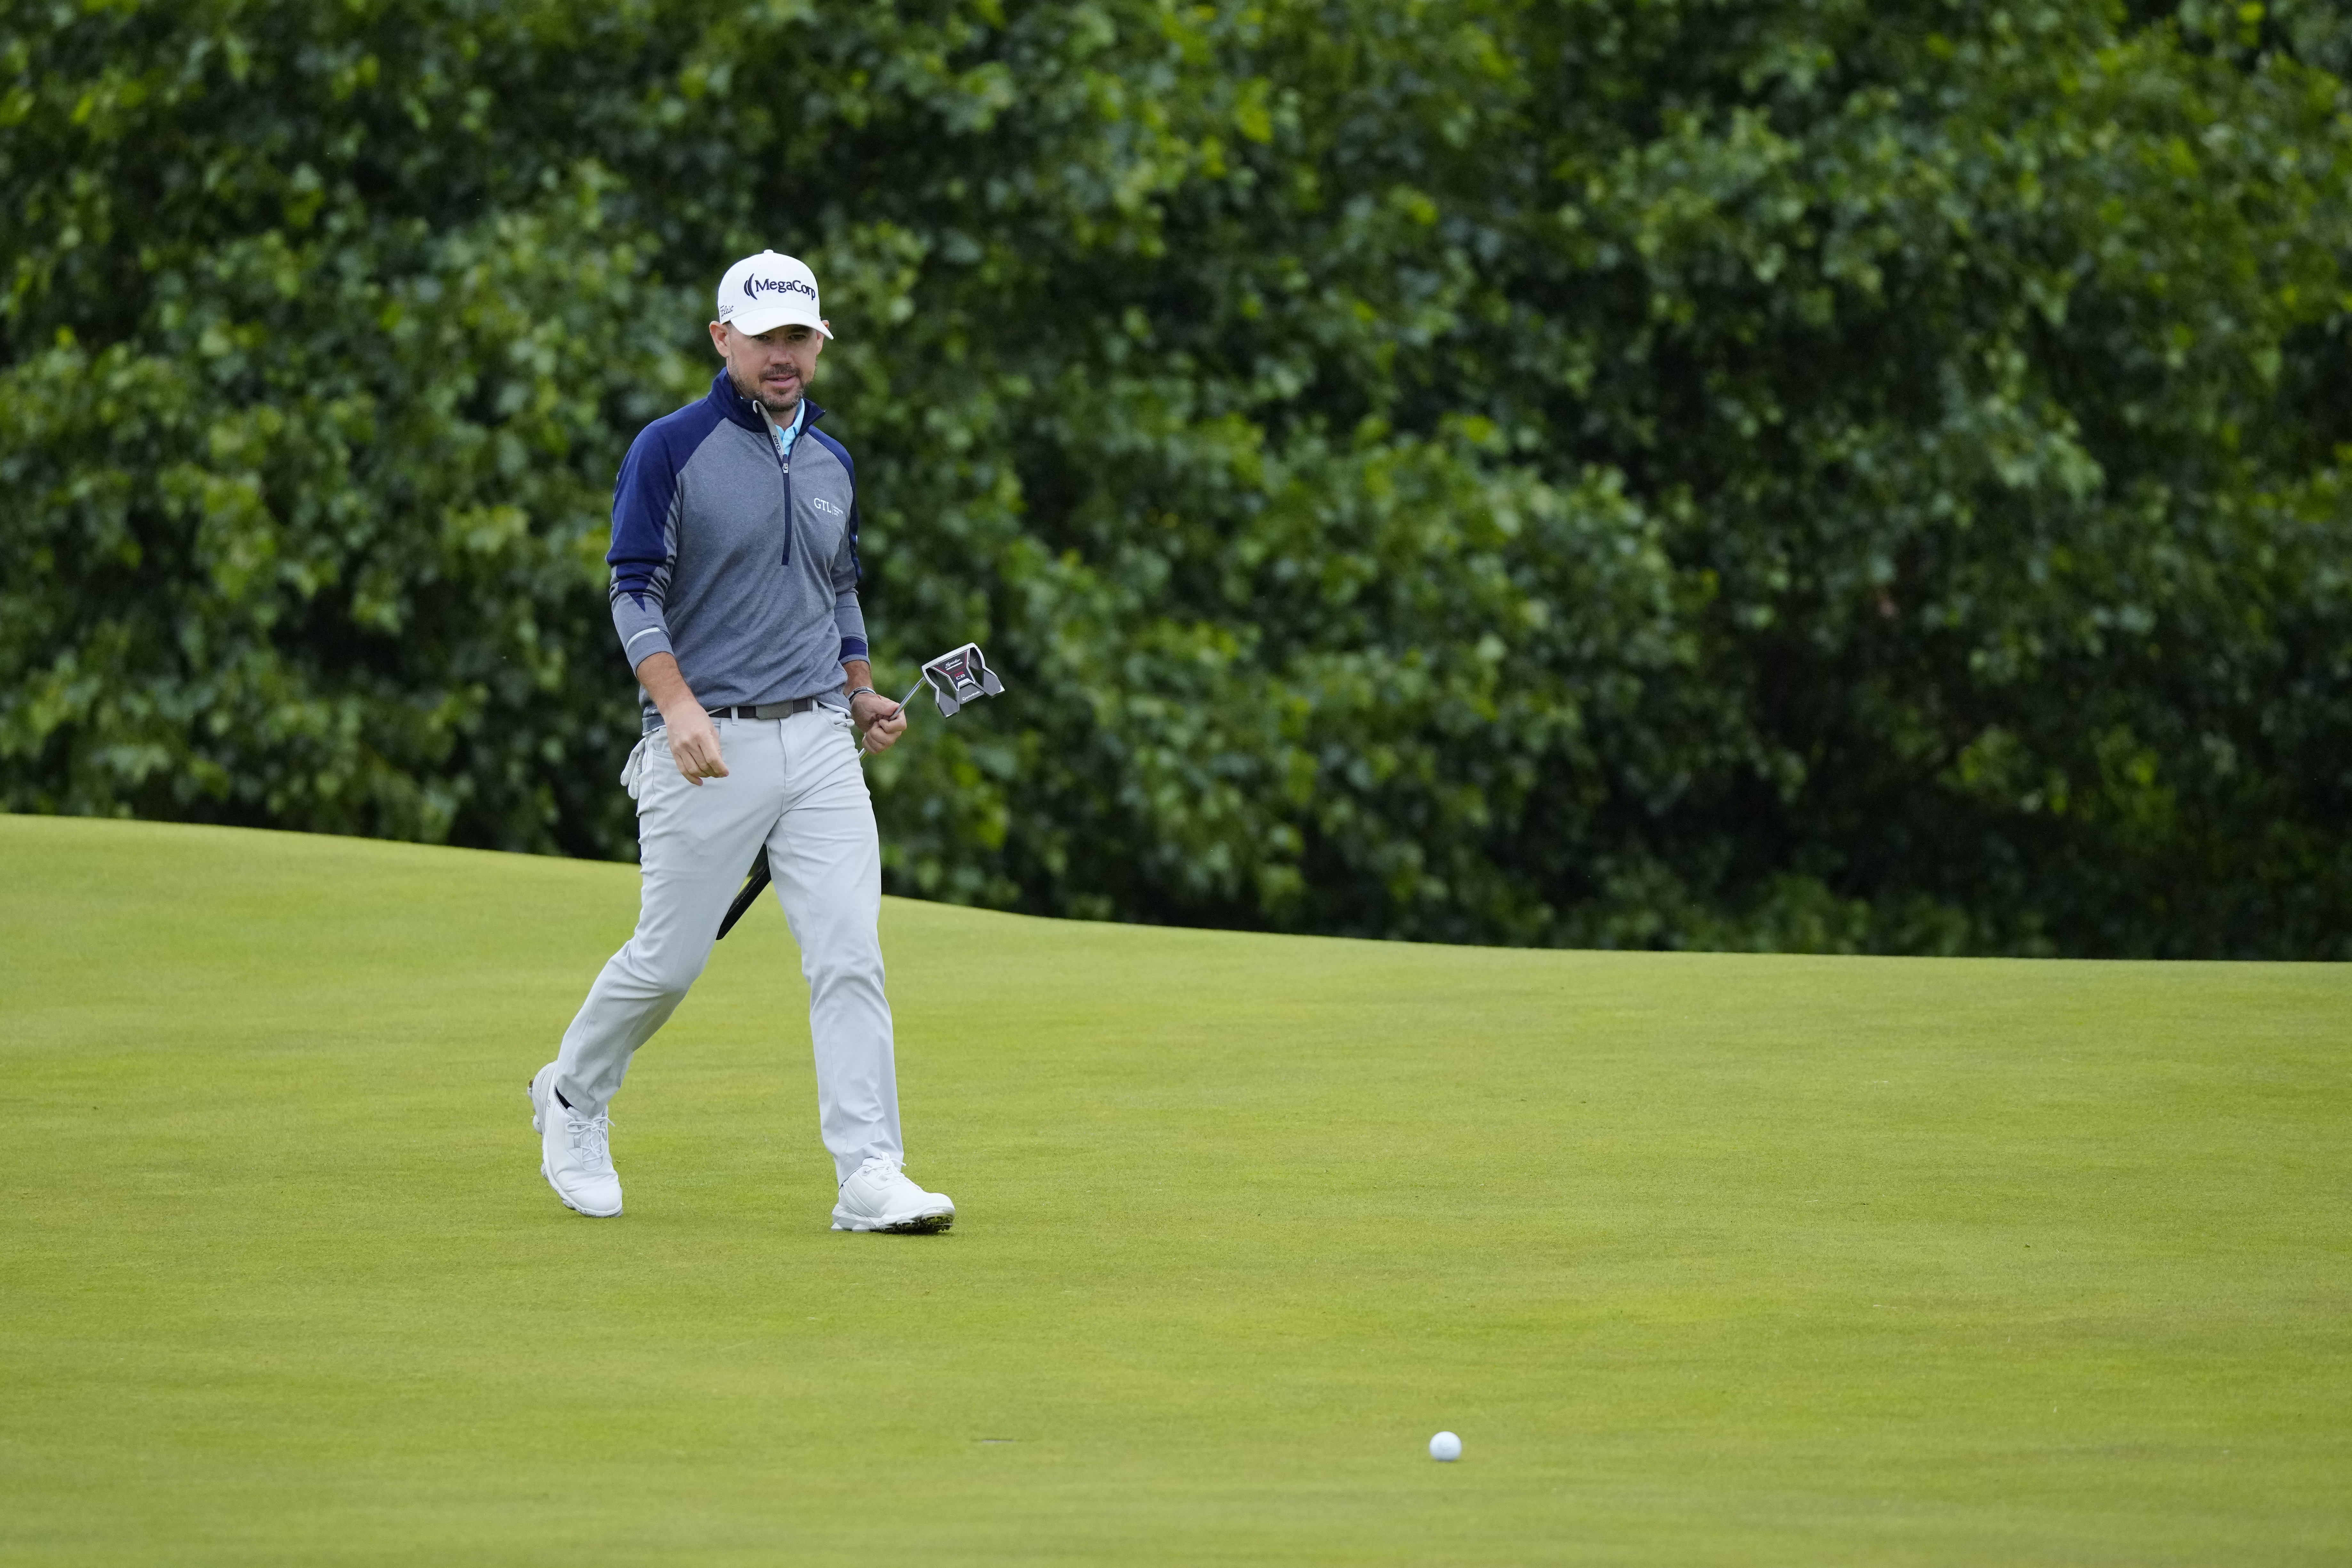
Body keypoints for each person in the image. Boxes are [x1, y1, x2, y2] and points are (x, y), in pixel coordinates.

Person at [528, 250, 954, 1234]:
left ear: (818, 344)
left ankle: (869, 1172)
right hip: (703, 744)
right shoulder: (670, 449)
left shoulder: (833, 462)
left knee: (849, 953)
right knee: (670, 960)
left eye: (799, 337)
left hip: (819, 745)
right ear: (723, 338)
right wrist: (675, 706)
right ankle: (573, 1097)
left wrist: (859, 692)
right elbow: (632, 587)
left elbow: (836, 587)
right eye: (764, 338)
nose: (783, 356)